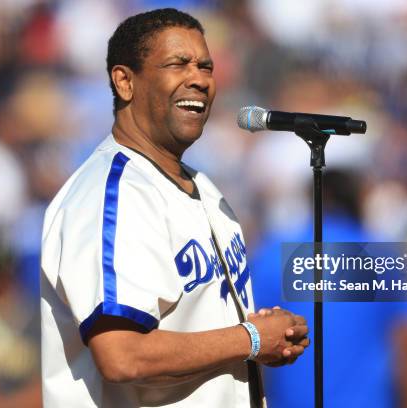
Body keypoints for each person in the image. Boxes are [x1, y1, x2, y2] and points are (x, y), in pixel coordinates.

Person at [40, 8, 309, 408]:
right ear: (125, 81)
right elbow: (122, 355)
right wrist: (251, 339)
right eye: (177, 64)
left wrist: (262, 334)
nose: (199, 78)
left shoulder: (204, 186)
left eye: (206, 66)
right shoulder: (112, 194)